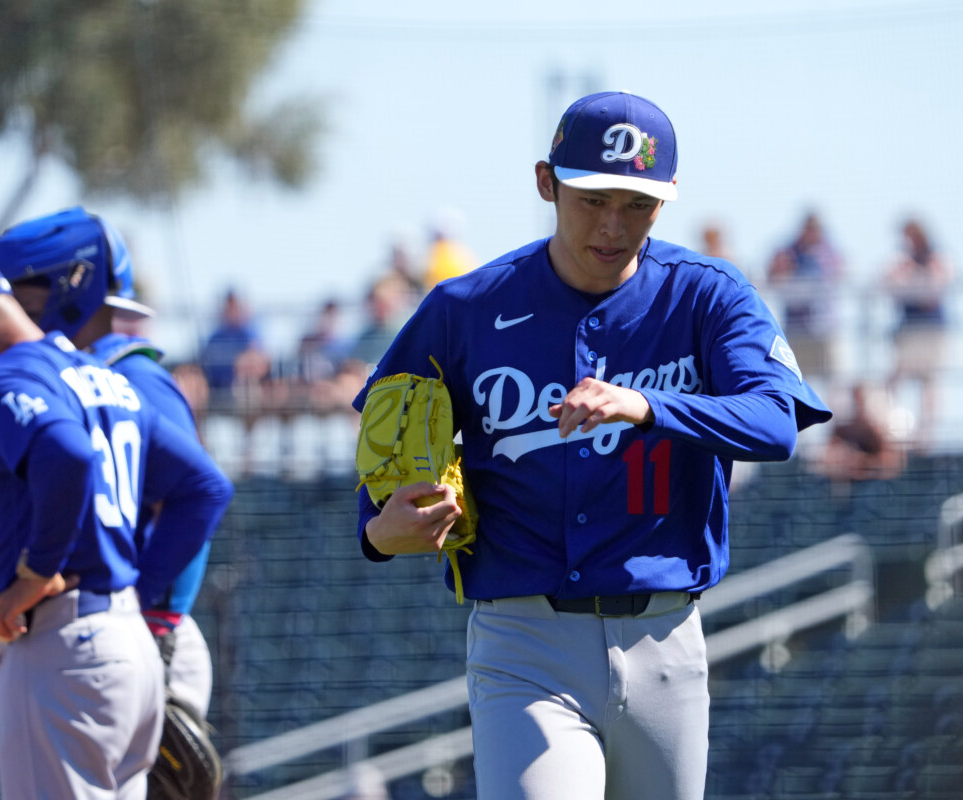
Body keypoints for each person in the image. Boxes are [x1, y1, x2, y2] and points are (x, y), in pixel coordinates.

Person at [353, 91, 832, 800]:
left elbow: (774, 423)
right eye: (591, 198)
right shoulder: (464, 309)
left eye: (636, 204)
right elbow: (384, 447)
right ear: (547, 183)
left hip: (666, 641)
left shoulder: (708, 296)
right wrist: (379, 529)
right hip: (525, 644)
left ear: (666, 201)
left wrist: (647, 405)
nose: (613, 224)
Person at [0, 256, 234, 799]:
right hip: (123, 645)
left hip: (62, 650)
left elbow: (67, 454)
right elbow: (206, 485)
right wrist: (135, 597)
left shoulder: (2, 375)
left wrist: (35, 572)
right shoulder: (102, 377)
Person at [0, 205, 222, 726]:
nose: (3, 309)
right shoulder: (53, 376)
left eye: (20, 292)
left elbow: (201, 494)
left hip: (144, 635)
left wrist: (146, 606)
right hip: (89, 634)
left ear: (70, 286)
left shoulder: (128, 375)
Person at [883, 217, 952, 450]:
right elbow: (891, 284)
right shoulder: (903, 260)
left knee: (929, 382)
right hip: (909, 330)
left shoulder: (936, 256)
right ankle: (898, 432)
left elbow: (933, 292)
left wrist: (914, 282)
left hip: (932, 330)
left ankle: (926, 436)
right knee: (894, 380)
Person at [766, 210, 844, 389]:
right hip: (797, 330)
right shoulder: (788, 251)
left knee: (834, 383)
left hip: (825, 328)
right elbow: (773, 275)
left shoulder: (828, 251)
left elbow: (838, 274)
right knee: (797, 381)